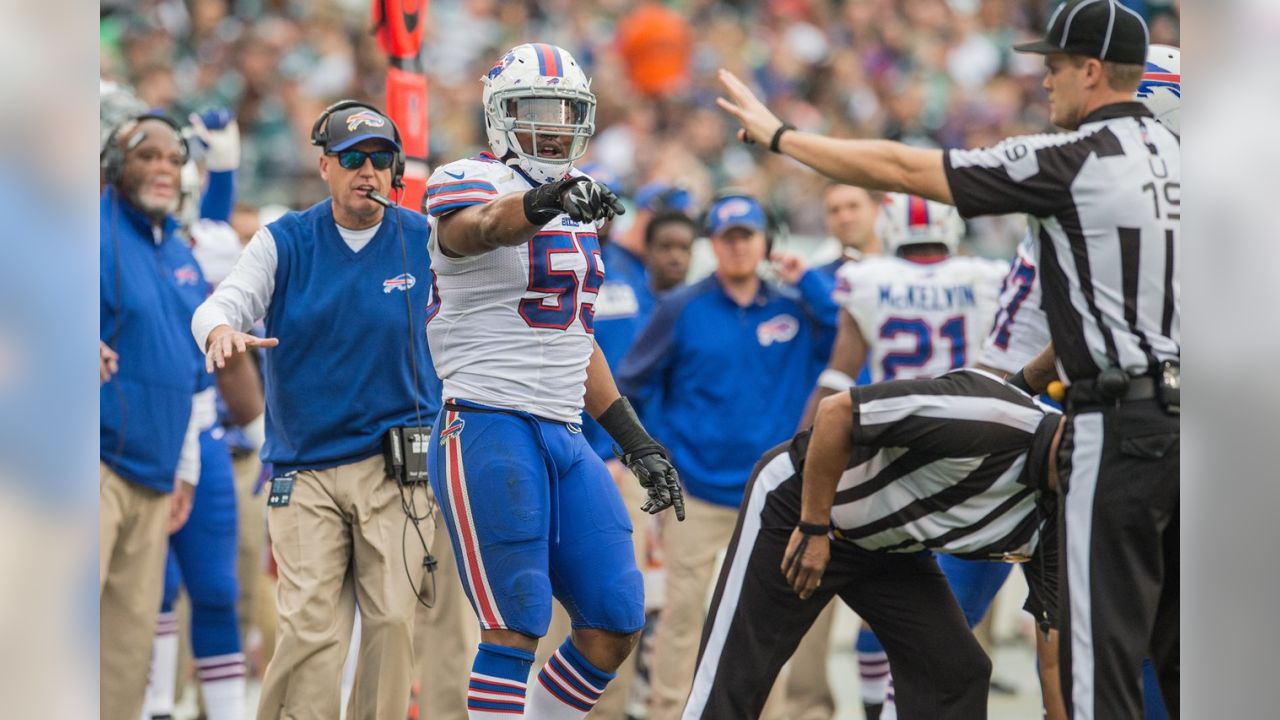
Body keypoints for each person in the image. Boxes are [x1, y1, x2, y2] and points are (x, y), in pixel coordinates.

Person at [716, 1, 1180, 714]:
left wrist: (783, 137)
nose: (1044, 83)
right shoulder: (1192, 164)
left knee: (1099, 655)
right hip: (1182, 426)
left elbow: (907, 166)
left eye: (1054, 67)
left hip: (1100, 427)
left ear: (1092, 72)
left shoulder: (1076, 162)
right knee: (1183, 652)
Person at [420, 42, 683, 720]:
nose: (553, 125)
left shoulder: (580, 199)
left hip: (565, 429)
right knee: (517, 621)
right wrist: (545, 200)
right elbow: (479, 230)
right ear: (499, 116)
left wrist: (635, 439)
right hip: (486, 419)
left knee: (615, 618)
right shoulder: (467, 179)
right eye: (535, 111)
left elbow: (576, 335)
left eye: (566, 110)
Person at [192, 101, 443, 720]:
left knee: (390, 621)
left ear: (397, 170)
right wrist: (221, 330)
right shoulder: (285, 241)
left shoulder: (427, 241)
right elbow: (220, 304)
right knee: (309, 628)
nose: (368, 172)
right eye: (353, 159)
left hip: (397, 469)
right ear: (324, 166)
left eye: (381, 159)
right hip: (303, 468)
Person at [684, 367, 1063, 719]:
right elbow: (835, 413)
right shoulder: (992, 417)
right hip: (804, 509)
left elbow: (1055, 663)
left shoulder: (1061, 516)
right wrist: (814, 528)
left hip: (889, 544)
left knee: (955, 672)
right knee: (735, 679)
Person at [616, 192, 834, 720]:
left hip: (772, 494)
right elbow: (630, 383)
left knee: (765, 620)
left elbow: (842, 335)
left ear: (765, 242)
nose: (737, 248)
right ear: (713, 244)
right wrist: (658, 453)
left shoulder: (794, 307)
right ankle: (668, 711)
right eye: (727, 238)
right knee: (683, 615)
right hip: (696, 490)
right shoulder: (682, 307)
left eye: (747, 237)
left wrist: (806, 279)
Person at [551, 204, 697, 718]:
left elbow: (642, 377)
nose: (596, 212)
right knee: (544, 604)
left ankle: (611, 711)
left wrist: (636, 450)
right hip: (556, 448)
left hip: (618, 462)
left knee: (618, 600)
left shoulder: (636, 275)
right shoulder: (539, 260)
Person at [142, 108, 254, 720]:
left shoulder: (202, 246)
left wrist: (228, 169)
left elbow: (213, 222)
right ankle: (155, 705)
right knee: (151, 588)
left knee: (215, 587)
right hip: (143, 429)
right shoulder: (114, 240)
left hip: (205, 426)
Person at [100, 112, 206, 720]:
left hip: (155, 472)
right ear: (116, 167)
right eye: (149, 156)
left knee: (127, 645)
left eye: (174, 158)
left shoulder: (179, 255)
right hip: (89, 462)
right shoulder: (79, 233)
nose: (164, 169)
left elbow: (193, 377)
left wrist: (186, 467)